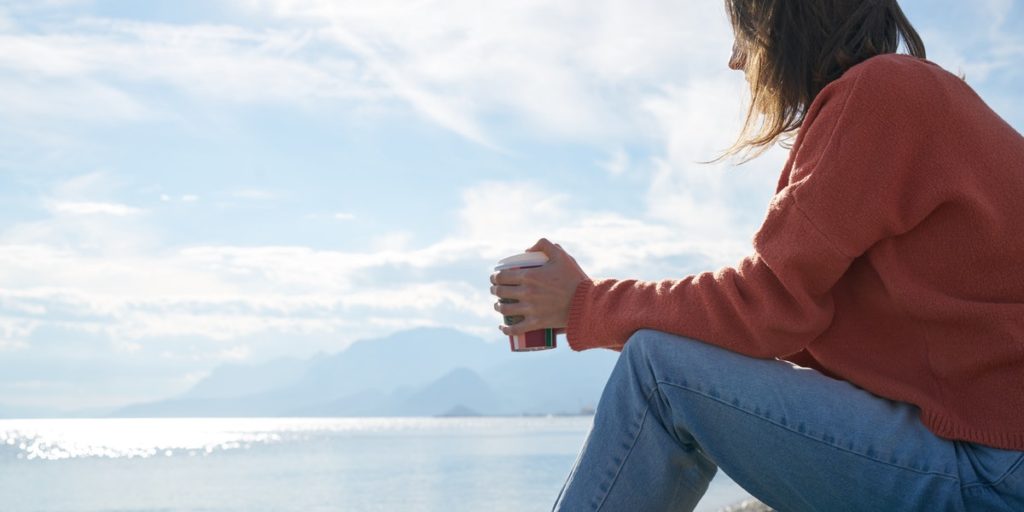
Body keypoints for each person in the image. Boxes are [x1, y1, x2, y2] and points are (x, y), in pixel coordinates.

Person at [488, 1, 1024, 510]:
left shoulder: (881, 93)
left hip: (993, 468)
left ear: (785, 21)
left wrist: (585, 305)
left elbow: (767, 305)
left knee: (656, 372)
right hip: (994, 451)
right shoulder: (921, 97)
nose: (736, 58)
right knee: (665, 360)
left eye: (744, 32)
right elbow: (786, 324)